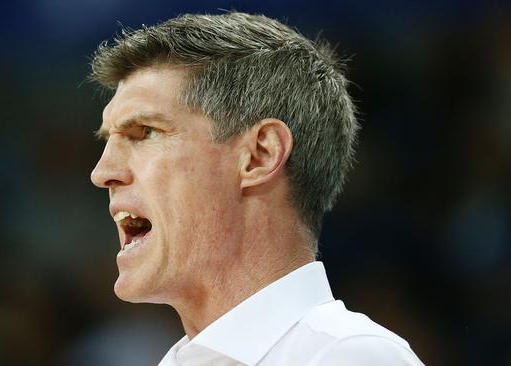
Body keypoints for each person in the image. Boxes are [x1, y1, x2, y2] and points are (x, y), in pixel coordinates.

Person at [89, 12, 424, 366]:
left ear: (259, 156)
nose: (102, 172)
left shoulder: (347, 356)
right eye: (108, 140)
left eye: (145, 132)